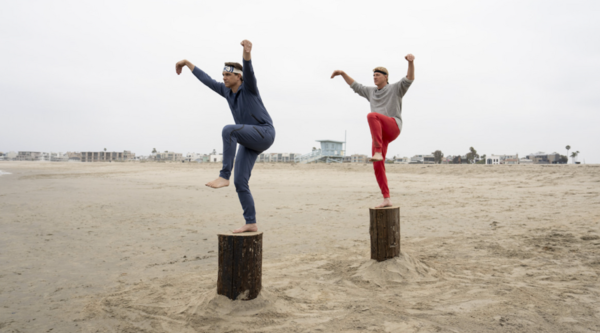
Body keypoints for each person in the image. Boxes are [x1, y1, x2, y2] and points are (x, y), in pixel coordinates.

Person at [176, 40, 275, 233]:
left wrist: (246, 54)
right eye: (223, 75)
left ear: (238, 77)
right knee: (241, 181)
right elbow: (206, 80)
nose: (224, 78)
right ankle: (251, 222)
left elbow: (249, 70)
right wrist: (188, 64)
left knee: (228, 129)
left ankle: (223, 175)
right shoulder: (226, 91)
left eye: (228, 75)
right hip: (249, 139)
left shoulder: (249, 88)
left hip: (264, 132)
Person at [331, 54, 415, 208]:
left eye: (377, 75)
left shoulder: (395, 88)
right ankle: (386, 198)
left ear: (386, 77)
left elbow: (409, 78)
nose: (374, 78)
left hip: (393, 126)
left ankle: (377, 152)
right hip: (380, 135)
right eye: (373, 75)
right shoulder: (371, 92)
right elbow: (355, 86)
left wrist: (411, 62)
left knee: (372, 115)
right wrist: (342, 74)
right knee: (377, 165)